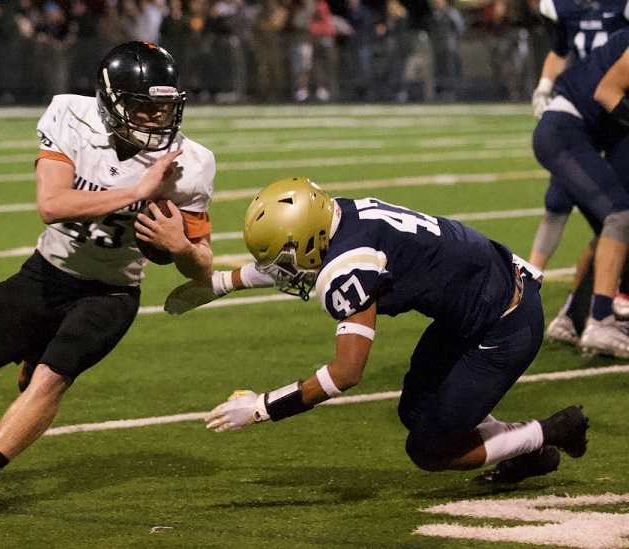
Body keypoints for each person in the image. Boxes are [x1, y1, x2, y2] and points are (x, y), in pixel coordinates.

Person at [0, 41, 215, 521]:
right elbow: (52, 204)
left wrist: (181, 247)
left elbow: (202, 266)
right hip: (46, 275)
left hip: (111, 293)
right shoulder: (70, 116)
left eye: (164, 107)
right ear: (111, 101)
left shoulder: (193, 163)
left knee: (51, 381)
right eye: (143, 107)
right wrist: (136, 191)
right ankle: (32, 344)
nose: (156, 119)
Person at [166, 177, 588, 484]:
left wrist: (262, 408)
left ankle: (552, 431)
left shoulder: (347, 267)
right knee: (417, 412)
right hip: (482, 297)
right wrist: (221, 283)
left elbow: (345, 373)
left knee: (428, 449)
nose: (282, 273)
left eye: (284, 260)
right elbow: (301, 259)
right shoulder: (339, 216)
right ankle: (530, 452)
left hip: (504, 321)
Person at [528, 0, 629, 343]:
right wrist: (543, 84)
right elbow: (607, 91)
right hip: (566, 129)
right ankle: (600, 318)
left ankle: (572, 317)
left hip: (580, 131)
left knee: (611, 223)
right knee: (619, 215)